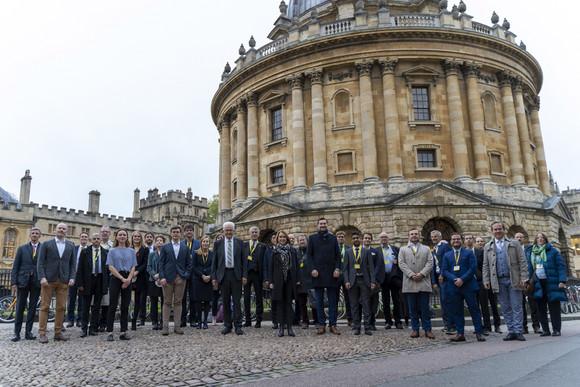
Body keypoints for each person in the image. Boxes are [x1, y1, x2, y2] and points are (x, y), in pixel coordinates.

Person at [483, 221, 528, 341]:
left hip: (514, 279)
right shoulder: (488, 246)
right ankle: (511, 330)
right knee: (505, 307)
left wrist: (524, 277)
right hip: (498, 280)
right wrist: (486, 280)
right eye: (495, 229)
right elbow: (486, 265)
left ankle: (519, 331)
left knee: (517, 305)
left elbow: (522, 261)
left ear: (504, 230)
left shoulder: (514, 243)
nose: (497, 231)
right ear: (492, 231)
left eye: (499, 229)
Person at [442, 233, 485, 342]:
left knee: (474, 310)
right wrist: (454, 280)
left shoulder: (469, 253)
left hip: (468, 285)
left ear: (461, 241)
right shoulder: (447, 255)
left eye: (457, 239)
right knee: (457, 311)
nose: (455, 241)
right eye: (453, 239)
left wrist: (462, 279)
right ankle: (460, 333)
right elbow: (445, 270)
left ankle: (479, 333)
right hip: (454, 287)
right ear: (451, 241)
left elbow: (473, 268)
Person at [37, 223, 76, 343]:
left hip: (64, 281)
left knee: (61, 307)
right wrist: (42, 277)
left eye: (64, 229)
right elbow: (40, 262)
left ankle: (57, 332)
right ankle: (42, 333)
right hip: (48, 280)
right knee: (45, 307)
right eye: (59, 228)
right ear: (55, 230)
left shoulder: (71, 245)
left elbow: (73, 264)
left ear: (67, 231)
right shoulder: (46, 244)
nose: (61, 230)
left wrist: (72, 277)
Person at [525, 232, 567, 336]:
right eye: (538, 238)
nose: (540, 239)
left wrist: (562, 281)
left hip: (551, 281)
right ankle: (545, 330)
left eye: (542, 237)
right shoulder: (531, 252)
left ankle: (556, 329)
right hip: (538, 282)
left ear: (545, 239)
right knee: (540, 307)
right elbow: (528, 268)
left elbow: (560, 266)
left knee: (554, 307)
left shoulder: (553, 251)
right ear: (535, 239)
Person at [398, 228, 434, 339]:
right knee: (412, 309)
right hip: (410, 282)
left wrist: (422, 274)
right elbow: (401, 263)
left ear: (419, 236)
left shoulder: (426, 248)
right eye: (412, 234)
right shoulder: (403, 249)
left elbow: (430, 262)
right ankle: (415, 329)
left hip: (423, 281)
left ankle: (427, 329)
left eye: (416, 234)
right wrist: (411, 274)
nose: (414, 236)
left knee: (425, 308)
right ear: (408, 236)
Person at [308, 218, 341, 335]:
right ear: (317, 225)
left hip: (332, 274)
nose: (322, 225)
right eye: (320, 224)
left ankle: (333, 324)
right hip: (318, 274)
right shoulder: (312, 239)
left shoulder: (333, 238)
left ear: (327, 225)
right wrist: (312, 269)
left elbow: (338, 255)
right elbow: (309, 256)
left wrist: (337, 268)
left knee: (333, 301)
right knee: (319, 302)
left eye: (324, 224)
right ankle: (322, 324)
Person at [212, 221, 246, 335]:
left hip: (236, 275)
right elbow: (215, 262)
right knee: (225, 302)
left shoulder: (240, 242)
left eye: (230, 230)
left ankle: (238, 325)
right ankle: (227, 325)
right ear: (223, 231)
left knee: (236, 301)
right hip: (223, 275)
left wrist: (244, 276)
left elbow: (244, 261)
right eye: (226, 230)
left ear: (234, 231)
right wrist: (214, 277)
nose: (228, 232)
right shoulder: (218, 244)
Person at [159, 226, 193, 335]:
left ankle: (177, 326)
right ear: (170, 234)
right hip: (167, 277)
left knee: (178, 302)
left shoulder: (185, 247)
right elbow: (161, 263)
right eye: (173, 232)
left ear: (180, 234)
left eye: (177, 232)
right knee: (167, 302)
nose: (175, 234)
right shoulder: (165, 247)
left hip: (180, 277)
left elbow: (189, 263)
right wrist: (162, 277)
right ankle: (165, 326)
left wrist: (186, 274)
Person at [10, 227, 42, 341]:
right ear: (30, 235)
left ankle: (28, 332)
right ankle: (16, 332)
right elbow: (16, 266)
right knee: (19, 307)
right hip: (23, 281)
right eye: (32, 233)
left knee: (32, 308)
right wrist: (14, 282)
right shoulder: (22, 248)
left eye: (36, 233)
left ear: (39, 236)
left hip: (36, 281)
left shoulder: (43, 248)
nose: (34, 235)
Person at [106, 229, 137, 341]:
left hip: (128, 278)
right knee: (112, 305)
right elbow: (110, 266)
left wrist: (128, 279)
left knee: (125, 306)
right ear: (116, 237)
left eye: (124, 235)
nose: (122, 236)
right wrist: (122, 278)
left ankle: (123, 332)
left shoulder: (131, 251)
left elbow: (133, 266)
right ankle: (110, 332)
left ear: (127, 237)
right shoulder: (112, 251)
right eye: (120, 235)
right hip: (116, 278)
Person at [76, 233, 109, 337]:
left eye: (98, 239)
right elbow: (80, 268)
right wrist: (80, 283)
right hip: (87, 280)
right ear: (91, 240)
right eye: (94, 239)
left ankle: (93, 328)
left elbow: (107, 270)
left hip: (99, 279)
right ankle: (84, 328)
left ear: (100, 240)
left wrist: (106, 284)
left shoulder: (105, 252)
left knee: (97, 306)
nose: (96, 240)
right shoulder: (85, 252)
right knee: (85, 305)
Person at [269, 230, 301, 337]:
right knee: (280, 304)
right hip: (278, 281)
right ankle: (281, 327)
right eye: (280, 237)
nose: (282, 239)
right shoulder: (275, 252)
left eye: (284, 237)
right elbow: (271, 268)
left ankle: (290, 327)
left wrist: (297, 279)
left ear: (286, 238)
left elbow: (296, 265)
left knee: (288, 303)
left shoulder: (292, 251)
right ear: (277, 239)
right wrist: (271, 282)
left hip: (290, 280)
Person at [344, 232, 376, 335]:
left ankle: (367, 327)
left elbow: (371, 267)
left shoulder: (366, 251)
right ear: (351, 240)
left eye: (357, 238)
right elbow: (345, 269)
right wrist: (347, 281)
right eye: (353, 238)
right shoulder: (348, 252)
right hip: (353, 281)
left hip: (364, 280)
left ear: (361, 239)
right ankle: (357, 326)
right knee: (354, 305)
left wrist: (372, 281)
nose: (356, 240)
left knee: (366, 304)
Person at [515, 232, 540, 334]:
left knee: (533, 304)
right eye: (517, 237)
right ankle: (523, 327)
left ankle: (536, 326)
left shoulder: (529, 250)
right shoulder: (511, 251)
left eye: (521, 237)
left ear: (523, 239)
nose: (519, 239)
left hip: (529, 281)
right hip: (517, 281)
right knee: (520, 305)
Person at [431, 230, 455, 335]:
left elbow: (448, 262)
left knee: (447, 301)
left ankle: (452, 325)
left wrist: (442, 274)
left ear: (440, 237)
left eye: (436, 236)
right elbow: (433, 267)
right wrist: (434, 281)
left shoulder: (445, 247)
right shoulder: (433, 250)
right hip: (439, 280)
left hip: (445, 278)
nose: (434, 238)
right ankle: (446, 324)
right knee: (443, 302)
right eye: (432, 237)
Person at [376, 232, 403, 330]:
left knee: (397, 300)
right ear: (379, 239)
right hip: (383, 278)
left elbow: (402, 262)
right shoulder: (377, 251)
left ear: (388, 238)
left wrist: (398, 263)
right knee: (385, 301)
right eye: (382, 237)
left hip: (394, 277)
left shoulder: (396, 249)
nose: (384, 238)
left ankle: (398, 321)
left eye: (385, 237)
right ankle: (388, 321)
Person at [476, 236, 502, 333]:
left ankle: (497, 325)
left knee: (494, 304)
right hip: (482, 281)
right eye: (478, 241)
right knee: (483, 305)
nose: (479, 243)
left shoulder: (489, 251)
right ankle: (486, 325)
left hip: (492, 280)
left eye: (481, 241)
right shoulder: (475, 253)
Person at [243, 226, 266, 328]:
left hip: (257, 274)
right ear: (250, 234)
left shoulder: (262, 246)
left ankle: (259, 320)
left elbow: (264, 262)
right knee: (246, 297)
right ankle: (248, 320)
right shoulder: (244, 245)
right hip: (247, 274)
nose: (254, 234)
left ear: (259, 234)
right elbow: (242, 261)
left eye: (256, 232)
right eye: (252, 232)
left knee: (258, 297)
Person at [192, 236, 214, 329]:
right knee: (199, 301)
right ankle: (199, 321)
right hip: (198, 279)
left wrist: (210, 276)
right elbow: (193, 266)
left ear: (209, 243)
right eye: (204, 241)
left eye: (207, 242)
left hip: (208, 280)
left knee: (207, 301)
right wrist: (202, 275)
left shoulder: (212, 254)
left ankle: (205, 321)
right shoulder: (196, 253)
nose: (205, 243)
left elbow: (214, 266)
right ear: (201, 243)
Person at [67, 231, 88, 328]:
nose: (84, 238)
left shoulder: (89, 250)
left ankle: (80, 319)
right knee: (71, 298)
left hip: (84, 279)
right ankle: (70, 319)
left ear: (88, 239)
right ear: (79, 238)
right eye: (82, 236)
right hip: (73, 277)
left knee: (82, 300)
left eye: (85, 237)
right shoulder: (74, 249)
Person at [181, 224, 200, 328]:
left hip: (194, 274)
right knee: (182, 298)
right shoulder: (181, 244)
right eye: (187, 230)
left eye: (190, 230)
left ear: (193, 232)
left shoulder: (198, 244)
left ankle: (193, 319)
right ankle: (182, 319)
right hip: (183, 274)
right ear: (185, 232)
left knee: (193, 297)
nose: (189, 232)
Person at [296, 233, 317, 328]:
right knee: (302, 304)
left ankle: (316, 321)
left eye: (303, 240)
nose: (302, 242)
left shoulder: (312, 251)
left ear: (307, 240)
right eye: (300, 240)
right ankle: (305, 321)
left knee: (314, 303)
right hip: (300, 281)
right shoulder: (296, 252)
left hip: (311, 281)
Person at [130, 231, 149, 330]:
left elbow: (145, 263)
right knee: (127, 300)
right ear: (132, 237)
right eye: (135, 236)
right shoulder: (129, 249)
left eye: (138, 236)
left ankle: (134, 321)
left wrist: (137, 272)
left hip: (141, 277)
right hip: (129, 276)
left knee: (139, 300)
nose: (136, 238)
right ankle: (125, 321)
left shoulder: (145, 249)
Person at [362, 232, 380, 330]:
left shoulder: (375, 251)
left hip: (373, 280)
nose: (367, 240)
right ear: (362, 239)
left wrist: (373, 276)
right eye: (366, 238)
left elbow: (377, 265)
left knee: (373, 302)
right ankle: (365, 322)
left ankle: (372, 321)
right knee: (364, 302)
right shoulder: (358, 251)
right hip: (362, 280)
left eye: (369, 238)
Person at [147, 235, 165, 330]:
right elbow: (148, 266)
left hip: (163, 280)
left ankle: (162, 321)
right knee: (153, 302)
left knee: (164, 301)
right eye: (157, 240)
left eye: (161, 240)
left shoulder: (166, 254)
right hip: (152, 280)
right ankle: (154, 321)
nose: (159, 242)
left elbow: (167, 266)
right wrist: (154, 275)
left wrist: (161, 276)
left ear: (163, 242)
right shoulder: (151, 254)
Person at [98, 225, 114, 332]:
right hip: (97, 275)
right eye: (103, 232)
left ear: (109, 233)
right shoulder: (95, 244)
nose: (104, 233)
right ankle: (95, 323)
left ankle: (104, 323)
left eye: (107, 232)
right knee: (95, 302)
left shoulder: (113, 246)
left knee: (106, 302)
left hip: (109, 276)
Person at [335, 231, 353, 327]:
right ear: (336, 238)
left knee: (348, 298)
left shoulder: (348, 249)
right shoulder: (334, 248)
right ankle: (334, 320)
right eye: (339, 237)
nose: (341, 238)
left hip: (346, 276)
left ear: (344, 238)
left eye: (342, 237)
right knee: (335, 298)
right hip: (337, 275)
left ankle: (350, 319)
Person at [263, 232, 279, 328]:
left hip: (282, 279)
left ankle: (283, 320)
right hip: (271, 278)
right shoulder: (268, 252)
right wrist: (266, 279)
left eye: (276, 237)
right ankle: (275, 321)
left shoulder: (284, 249)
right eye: (273, 237)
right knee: (273, 300)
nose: (275, 239)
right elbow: (265, 266)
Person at [211, 233, 224, 326]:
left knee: (225, 298)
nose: (219, 239)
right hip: (216, 277)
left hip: (224, 277)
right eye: (218, 238)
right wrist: (213, 278)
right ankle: (214, 318)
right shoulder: (212, 251)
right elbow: (213, 266)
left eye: (221, 238)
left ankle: (225, 317)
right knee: (215, 299)